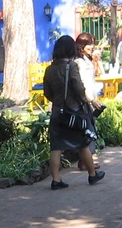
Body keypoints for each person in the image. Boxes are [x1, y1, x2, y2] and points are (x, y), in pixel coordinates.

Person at [44, 35, 104, 189]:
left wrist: (58, 102)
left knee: (56, 147)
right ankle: (92, 174)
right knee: (83, 144)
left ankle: (56, 180)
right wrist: (86, 101)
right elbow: (78, 87)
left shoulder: (49, 69)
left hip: (57, 112)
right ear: (71, 49)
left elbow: (47, 93)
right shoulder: (71, 66)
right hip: (74, 112)